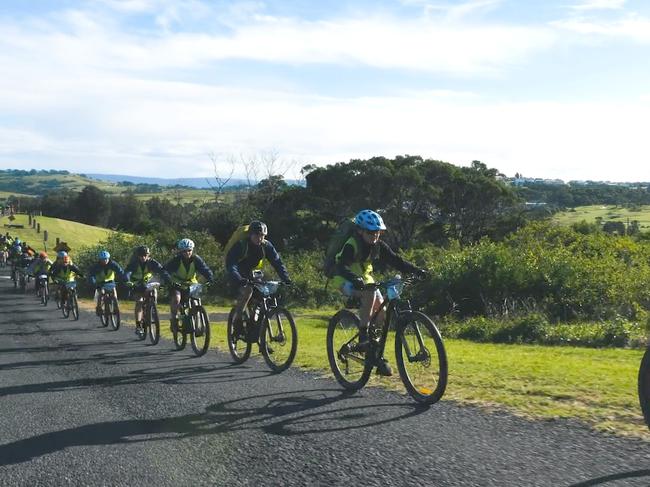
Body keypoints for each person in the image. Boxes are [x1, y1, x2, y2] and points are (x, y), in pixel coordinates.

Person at [331, 209, 427, 377]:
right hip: (343, 279)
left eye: (378, 232)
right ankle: (363, 337)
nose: (375, 236)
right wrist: (354, 279)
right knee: (369, 294)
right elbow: (341, 267)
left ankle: (373, 352)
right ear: (360, 231)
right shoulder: (351, 244)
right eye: (370, 232)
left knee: (382, 315)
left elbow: (396, 260)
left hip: (367, 281)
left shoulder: (378, 245)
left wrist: (416, 270)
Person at [226, 220, 292, 333]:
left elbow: (277, 263)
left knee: (265, 295)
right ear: (250, 234)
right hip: (237, 275)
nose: (259, 238)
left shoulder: (266, 246)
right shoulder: (241, 245)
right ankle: (237, 321)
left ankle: (261, 338)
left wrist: (286, 279)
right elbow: (231, 264)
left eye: (262, 236)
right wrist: (239, 278)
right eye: (257, 235)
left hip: (253, 274)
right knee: (248, 291)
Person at [164, 238, 214, 333]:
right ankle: (174, 319)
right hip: (177, 283)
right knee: (176, 299)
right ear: (180, 251)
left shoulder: (196, 259)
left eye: (189, 250)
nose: (187, 253)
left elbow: (205, 269)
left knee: (196, 302)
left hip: (191, 283)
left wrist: (210, 279)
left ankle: (195, 323)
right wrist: (169, 281)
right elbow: (165, 271)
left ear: (192, 250)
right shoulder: (176, 260)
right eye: (184, 251)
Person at [125, 245, 170, 336]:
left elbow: (162, 271)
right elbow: (127, 273)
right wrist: (128, 281)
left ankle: (153, 309)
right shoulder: (134, 263)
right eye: (141, 255)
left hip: (147, 283)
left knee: (153, 292)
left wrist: (167, 280)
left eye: (145, 255)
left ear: (148, 255)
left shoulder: (152, 262)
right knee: (139, 302)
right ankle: (138, 325)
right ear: (138, 256)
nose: (143, 257)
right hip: (136, 284)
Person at [87, 250, 126, 316]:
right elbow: (91, 275)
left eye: (106, 259)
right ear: (100, 260)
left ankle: (116, 307)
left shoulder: (113, 264)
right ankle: (99, 307)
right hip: (100, 282)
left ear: (108, 258)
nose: (105, 261)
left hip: (110, 281)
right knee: (101, 293)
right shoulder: (96, 266)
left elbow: (120, 271)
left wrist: (124, 278)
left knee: (114, 292)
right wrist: (93, 282)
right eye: (103, 259)